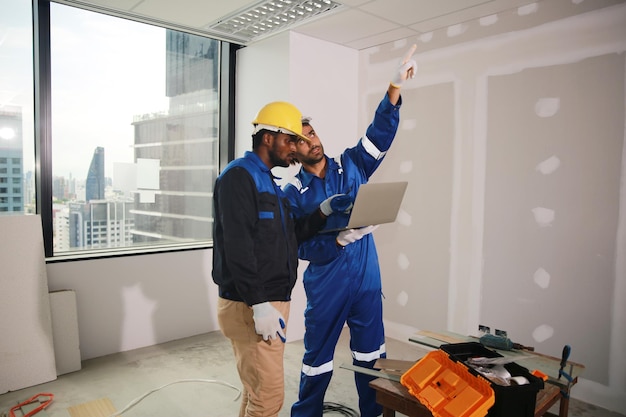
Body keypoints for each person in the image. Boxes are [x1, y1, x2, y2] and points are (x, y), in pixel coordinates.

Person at [283, 45, 417, 417]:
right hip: (328, 284)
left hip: (367, 280)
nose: (313, 140)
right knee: (317, 362)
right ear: (293, 150)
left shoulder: (351, 163)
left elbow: (380, 134)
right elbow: (297, 244)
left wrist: (393, 88)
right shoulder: (293, 193)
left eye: (313, 132)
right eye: (303, 139)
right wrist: (337, 241)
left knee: (371, 356)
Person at [212, 101, 353, 417]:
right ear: (267, 138)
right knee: (270, 397)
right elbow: (237, 246)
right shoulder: (239, 177)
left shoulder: (269, 183)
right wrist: (259, 303)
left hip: (267, 302)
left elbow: (292, 234)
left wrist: (323, 212)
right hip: (252, 305)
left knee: (256, 391)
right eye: (291, 140)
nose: (298, 148)